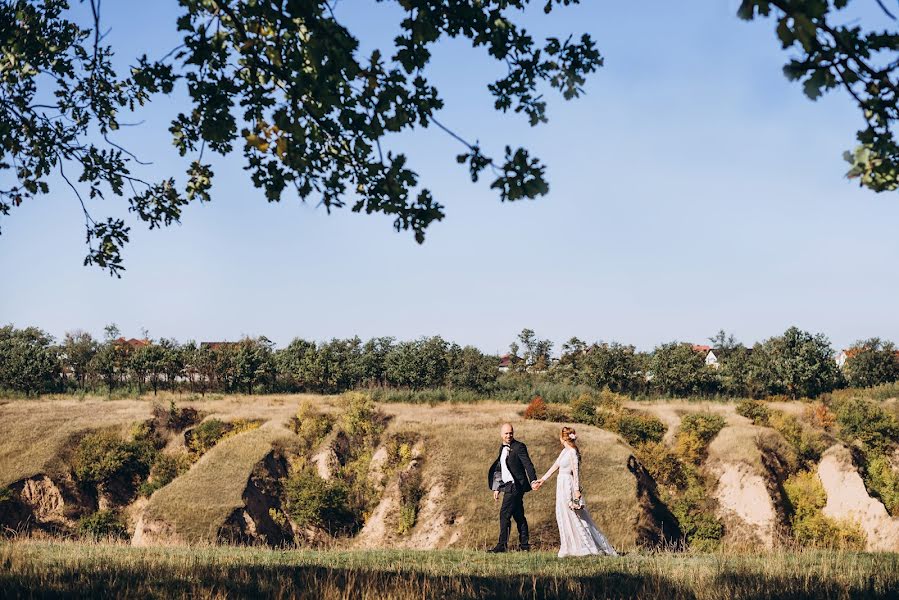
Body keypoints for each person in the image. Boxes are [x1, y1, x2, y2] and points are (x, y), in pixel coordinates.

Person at [534, 426, 617, 558]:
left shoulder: (572, 452)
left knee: (574, 515)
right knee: (562, 513)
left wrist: (577, 489)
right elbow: (555, 466)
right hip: (560, 484)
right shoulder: (564, 451)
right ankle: (568, 546)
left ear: (562, 438)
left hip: (568, 484)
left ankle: (587, 546)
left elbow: (575, 471)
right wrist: (542, 479)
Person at [486, 422, 539, 552]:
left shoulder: (519, 447)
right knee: (518, 515)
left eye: (511, 433)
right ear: (501, 434)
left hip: (516, 485)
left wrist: (533, 481)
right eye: (506, 433)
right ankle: (525, 546)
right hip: (507, 485)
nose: (509, 435)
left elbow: (528, 465)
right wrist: (497, 488)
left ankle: (502, 546)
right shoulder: (502, 448)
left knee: (504, 514)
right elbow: (500, 469)